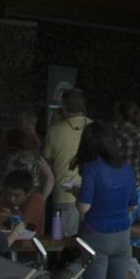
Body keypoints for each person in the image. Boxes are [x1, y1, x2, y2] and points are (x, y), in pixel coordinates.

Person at [69, 121, 138, 279]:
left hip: (96, 234)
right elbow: (133, 204)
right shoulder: (126, 168)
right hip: (122, 234)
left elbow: (84, 207)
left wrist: (78, 195)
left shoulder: (92, 169)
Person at [44, 89, 89, 229]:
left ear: (64, 106)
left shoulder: (54, 130)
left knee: (62, 239)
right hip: (92, 194)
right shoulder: (94, 128)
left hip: (64, 194)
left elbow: (47, 161)